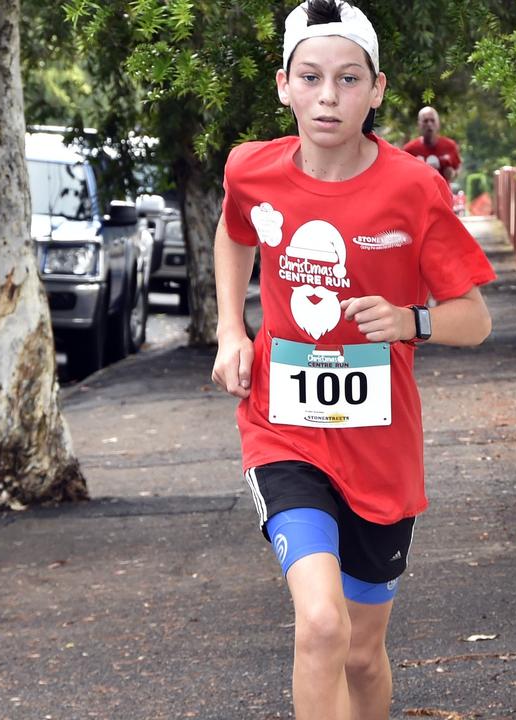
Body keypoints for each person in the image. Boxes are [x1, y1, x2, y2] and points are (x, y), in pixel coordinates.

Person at [209, 2, 495, 718]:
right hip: (283, 431)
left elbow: (477, 320)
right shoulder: (252, 169)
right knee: (322, 624)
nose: (327, 96)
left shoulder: (413, 189)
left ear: (377, 89)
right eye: (310, 77)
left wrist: (409, 321)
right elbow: (234, 233)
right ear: (284, 85)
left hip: (379, 450)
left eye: (346, 79)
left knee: (363, 655)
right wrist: (230, 330)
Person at [402, 106, 461, 183]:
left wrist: (452, 174)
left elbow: (458, 168)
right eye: (425, 121)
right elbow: (403, 175)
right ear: (419, 124)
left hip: (443, 194)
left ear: (438, 124)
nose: (429, 124)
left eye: (432, 120)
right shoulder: (409, 150)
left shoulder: (450, 145)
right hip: (420, 194)